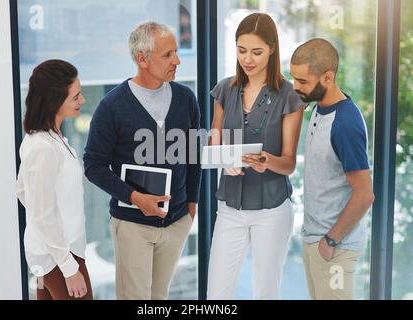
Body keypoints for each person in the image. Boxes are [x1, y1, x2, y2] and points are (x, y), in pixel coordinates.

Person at [83, 22, 201, 300]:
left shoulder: (186, 98)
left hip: (176, 222)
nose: (177, 60)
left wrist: (191, 204)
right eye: (168, 54)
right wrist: (135, 197)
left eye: (176, 52)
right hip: (133, 225)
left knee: (159, 298)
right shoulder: (111, 106)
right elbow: (93, 165)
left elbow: (194, 154)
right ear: (142, 59)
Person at [207, 13, 305, 300]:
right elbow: (215, 140)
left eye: (256, 52)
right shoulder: (225, 89)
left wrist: (267, 161)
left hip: (271, 210)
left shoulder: (289, 95)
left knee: (265, 292)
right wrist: (224, 160)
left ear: (272, 49)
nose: (247, 59)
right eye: (241, 50)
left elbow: (288, 163)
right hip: (229, 208)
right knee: (216, 295)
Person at [290, 38, 375, 300]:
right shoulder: (319, 107)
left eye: (302, 81)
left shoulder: (345, 124)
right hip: (315, 240)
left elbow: (364, 195)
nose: (295, 87)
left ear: (328, 77)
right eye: (294, 78)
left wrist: (330, 241)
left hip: (334, 248)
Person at [16, 59, 92, 300]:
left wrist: (45, 219)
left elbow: (23, 191)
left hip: (54, 255)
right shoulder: (43, 147)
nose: (82, 101)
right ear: (54, 101)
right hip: (59, 259)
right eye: (75, 96)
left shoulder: (50, 138)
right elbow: (42, 212)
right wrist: (69, 268)